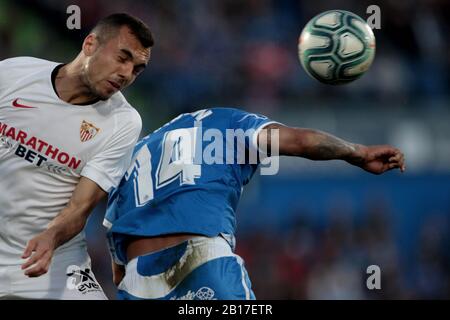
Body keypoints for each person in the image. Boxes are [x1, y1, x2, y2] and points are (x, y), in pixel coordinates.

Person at [104, 107, 406, 300]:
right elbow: (300, 141)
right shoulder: (224, 122)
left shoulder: (133, 155)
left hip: (137, 280)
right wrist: (358, 152)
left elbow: (116, 267)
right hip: (202, 259)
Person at [0, 13, 153, 299]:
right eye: (122, 58)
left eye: (137, 69)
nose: (127, 74)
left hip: (54, 259)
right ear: (90, 44)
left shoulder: (123, 122)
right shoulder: (12, 74)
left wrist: (51, 236)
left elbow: (79, 208)